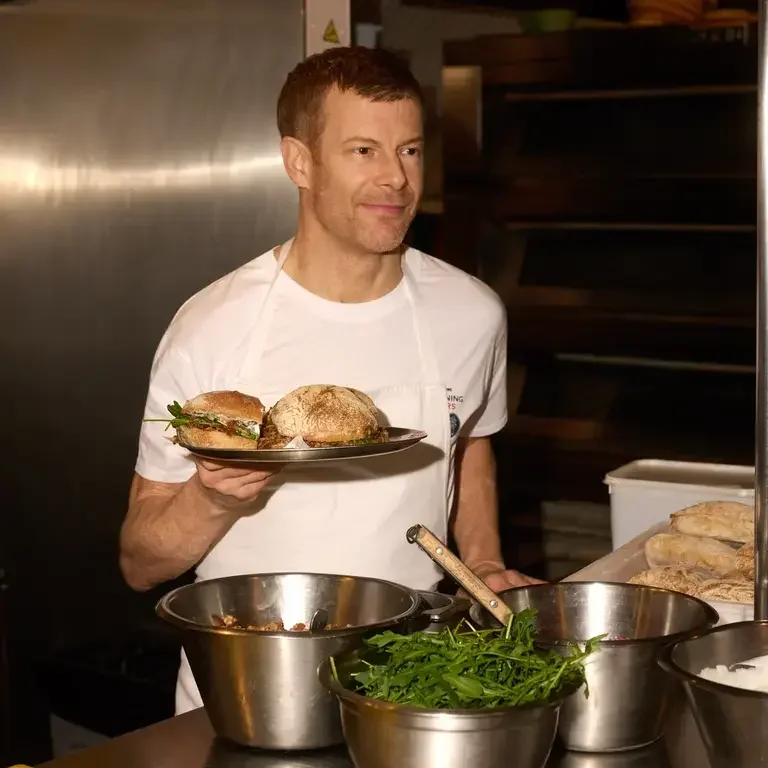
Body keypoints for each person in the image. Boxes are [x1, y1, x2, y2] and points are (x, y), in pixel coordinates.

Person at [120, 46, 540, 715]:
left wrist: (483, 563)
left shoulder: (472, 312)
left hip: (414, 680)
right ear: (299, 162)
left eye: (408, 150)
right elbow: (140, 562)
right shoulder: (212, 327)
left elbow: (468, 443)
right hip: (248, 689)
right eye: (363, 151)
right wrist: (214, 498)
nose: (395, 178)